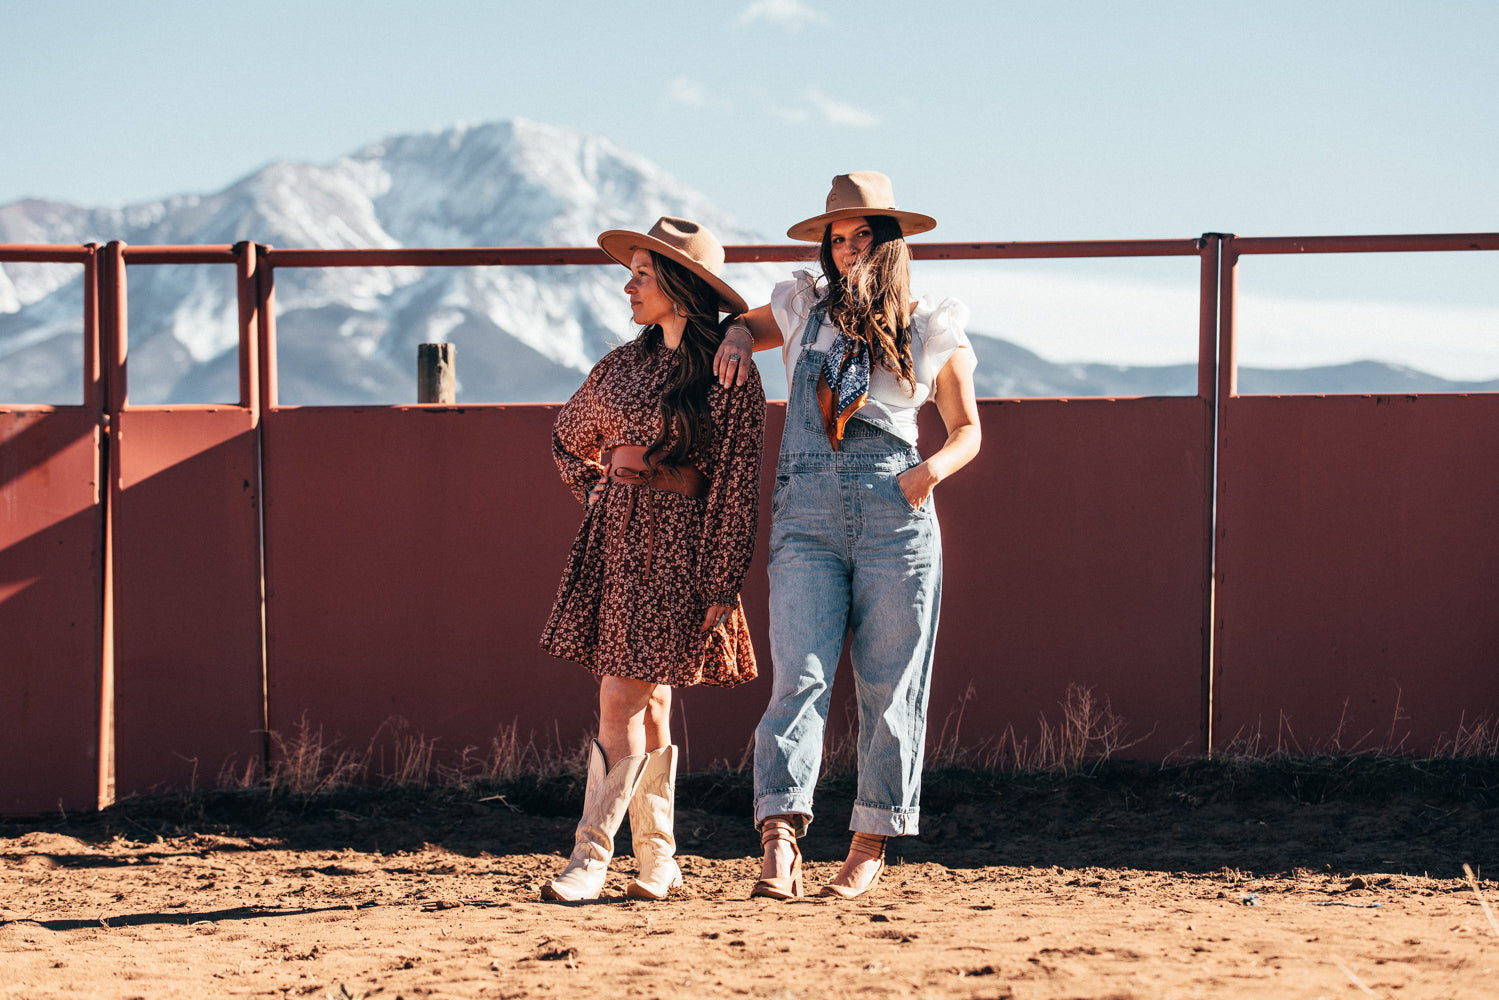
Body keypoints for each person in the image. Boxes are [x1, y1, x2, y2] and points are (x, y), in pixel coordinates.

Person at [713, 172, 981, 899]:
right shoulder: (801, 307)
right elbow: (740, 322)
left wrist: (926, 475)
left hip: (896, 514)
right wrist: (738, 333)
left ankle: (868, 842)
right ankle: (778, 839)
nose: (849, 247)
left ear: (889, 245)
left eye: (864, 235)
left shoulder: (929, 325)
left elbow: (966, 431)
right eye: (838, 237)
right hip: (805, 516)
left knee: (891, 688)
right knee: (796, 677)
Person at [539, 216, 766, 902]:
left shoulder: (730, 377)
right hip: (618, 542)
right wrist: (604, 496)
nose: (628, 286)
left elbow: (735, 485)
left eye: (642, 274)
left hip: (684, 549)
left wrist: (721, 579)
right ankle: (660, 861)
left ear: (680, 285)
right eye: (630, 272)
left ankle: (590, 856)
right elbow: (564, 438)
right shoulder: (620, 366)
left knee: (620, 697)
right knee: (649, 704)